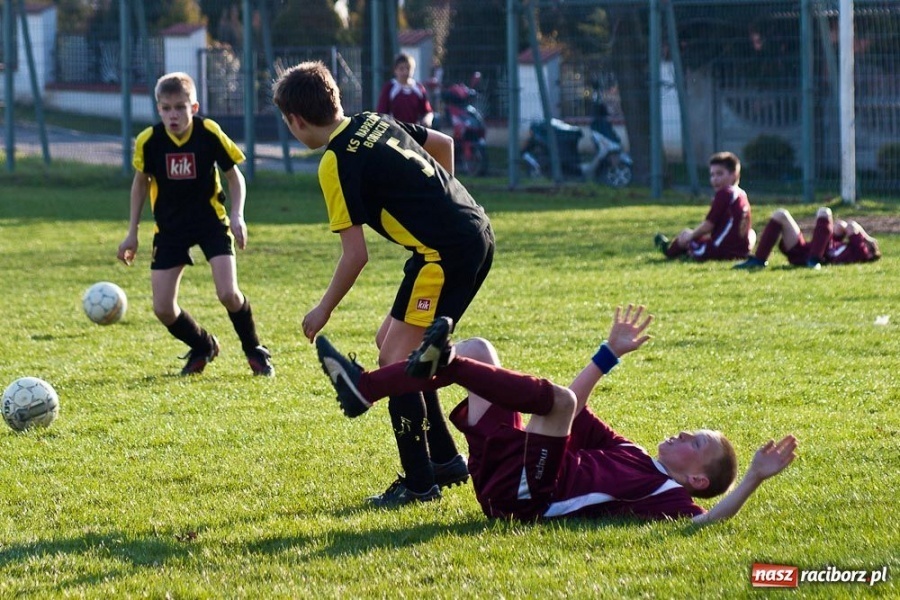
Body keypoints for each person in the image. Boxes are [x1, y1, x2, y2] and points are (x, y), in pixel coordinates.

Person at [315, 305, 797, 523]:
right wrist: (608, 353)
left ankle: (444, 365)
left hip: (525, 500)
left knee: (554, 401)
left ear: (694, 480)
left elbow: (707, 522)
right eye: (694, 432)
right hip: (508, 465)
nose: (684, 433)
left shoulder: (665, 496)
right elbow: (576, 406)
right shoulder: (631, 453)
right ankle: (366, 389)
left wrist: (754, 476)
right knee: (482, 347)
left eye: (697, 443)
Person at [272, 61, 495, 507]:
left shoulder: (335, 162)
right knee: (389, 344)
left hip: (445, 253)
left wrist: (322, 310)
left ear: (295, 121)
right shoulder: (373, 121)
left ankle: (418, 484)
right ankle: (446, 460)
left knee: (397, 362)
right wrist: (442, 201)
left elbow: (356, 255)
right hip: (467, 230)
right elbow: (443, 143)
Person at [117, 72, 273, 377]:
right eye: (166, 108)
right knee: (162, 308)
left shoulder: (208, 132)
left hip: (211, 222)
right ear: (158, 108)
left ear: (195, 106)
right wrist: (131, 233)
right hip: (170, 228)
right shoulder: (150, 141)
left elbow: (234, 176)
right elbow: (140, 184)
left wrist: (238, 215)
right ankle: (203, 345)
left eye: (180, 107)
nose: (173, 115)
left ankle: (254, 350)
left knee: (228, 293)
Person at [654, 152, 755, 261]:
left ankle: (669, 250)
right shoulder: (742, 194)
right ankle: (687, 250)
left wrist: (691, 235)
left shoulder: (725, 193)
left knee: (686, 236)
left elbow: (708, 225)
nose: (715, 179)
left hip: (720, 250)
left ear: (734, 174)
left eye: (720, 174)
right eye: (712, 175)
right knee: (751, 232)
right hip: (741, 251)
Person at [733, 206, 881, 269]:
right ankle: (759, 260)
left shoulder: (859, 252)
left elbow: (852, 226)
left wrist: (867, 238)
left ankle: (814, 260)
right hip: (802, 251)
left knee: (824, 212)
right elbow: (840, 227)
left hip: (814, 257)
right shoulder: (843, 246)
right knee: (781, 214)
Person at [376, 53, 434, 127]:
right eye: (401, 68)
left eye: (408, 68)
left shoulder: (418, 88)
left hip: (414, 130)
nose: (405, 72)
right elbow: (381, 113)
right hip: (395, 130)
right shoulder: (389, 87)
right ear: (395, 70)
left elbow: (427, 111)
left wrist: (427, 119)